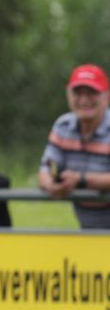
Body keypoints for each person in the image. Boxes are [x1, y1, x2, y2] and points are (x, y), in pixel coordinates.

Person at [38, 64, 110, 229]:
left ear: (107, 96)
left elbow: (78, 179)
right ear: (68, 95)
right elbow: (46, 167)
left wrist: (80, 180)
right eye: (78, 93)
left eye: (91, 93)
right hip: (87, 229)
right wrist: (51, 184)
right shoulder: (62, 126)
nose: (84, 100)